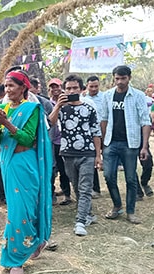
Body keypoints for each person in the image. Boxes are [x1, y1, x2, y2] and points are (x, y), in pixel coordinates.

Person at [0, 70, 53, 274]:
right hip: (9, 165)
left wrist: (7, 122)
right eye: (6, 86)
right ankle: (16, 258)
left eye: (12, 86)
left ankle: (32, 243)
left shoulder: (32, 109)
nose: (7, 90)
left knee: (27, 210)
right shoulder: (1, 107)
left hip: (26, 164)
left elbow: (27, 139)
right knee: (16, 212)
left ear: (23, 87)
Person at [48, 74, 101, 236]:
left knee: (85, 187)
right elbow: (50, 122)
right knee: (77, 186)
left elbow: (96, 132)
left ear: (81, 89)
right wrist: (57, 106)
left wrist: (98, 155)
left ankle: (80, 221)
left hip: (87, 153)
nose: (71, 91)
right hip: (68, 153)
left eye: (75, 88)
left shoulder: (89, 108)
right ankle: (88, 214)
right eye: (68, 88)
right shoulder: (61, 108)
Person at [100, 65, 152, 224]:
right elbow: (103, 119)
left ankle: (131, 211)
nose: (120, 82)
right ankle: (117, 205)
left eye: (123, 78)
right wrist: (103, 144)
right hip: (111, 142)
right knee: (108, 176)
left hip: (131, 143)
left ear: (129, 78)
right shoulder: (108, 95)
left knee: (130, 178)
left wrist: (144, 146)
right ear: (113, 78)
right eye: (117, 78)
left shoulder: (137, 96)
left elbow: (145, 121)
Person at [85, 76, 105, 198]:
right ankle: (95, 188)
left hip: (104, 131)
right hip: (91, 133)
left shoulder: (104, 97)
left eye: (96, 86)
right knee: (92, 160)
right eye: (91, 86)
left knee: (106, 158)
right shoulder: (83, 98)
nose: (93, 88)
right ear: (87, 86)